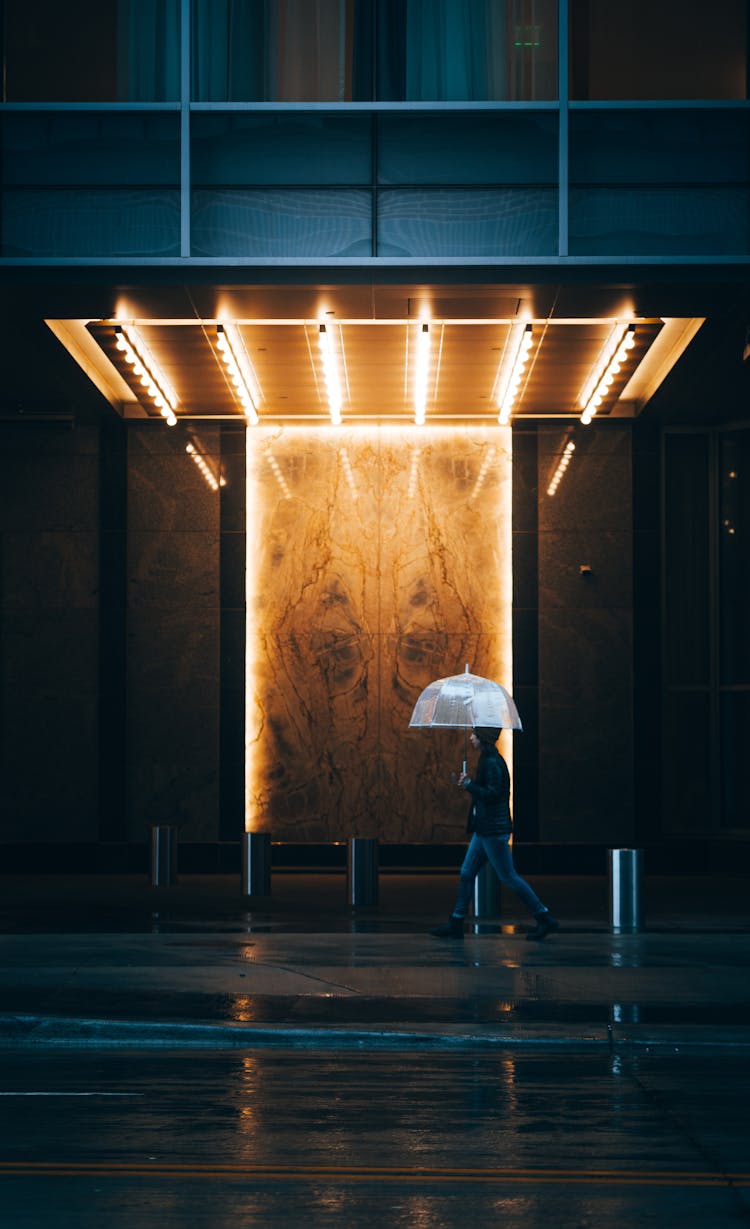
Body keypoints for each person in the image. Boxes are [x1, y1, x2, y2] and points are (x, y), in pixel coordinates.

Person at [431, 727, 560, 941]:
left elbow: (492, 795)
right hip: (484, 829)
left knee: (508, 877)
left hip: (493, 831)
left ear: (483, 738)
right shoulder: (487, 759)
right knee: (466, 873)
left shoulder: (492, 763)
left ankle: (544, 917)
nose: (471, 737)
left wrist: (470, 785)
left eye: (474, 734)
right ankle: (456, 922)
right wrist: (468, 784)